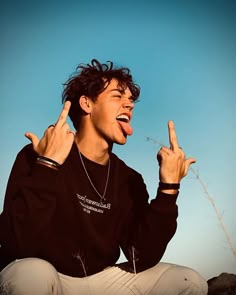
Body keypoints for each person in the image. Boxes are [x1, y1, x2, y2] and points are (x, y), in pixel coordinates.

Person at [0, 59, 208, 294]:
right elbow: (15, 243)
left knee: (189, 282)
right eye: (118, 96)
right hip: (47, 278)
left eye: (130, 100)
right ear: (87, 104)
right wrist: (48, 165)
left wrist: (169, 189)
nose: (129, 105)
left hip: (101, 282)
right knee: (29, 273)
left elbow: (140, 257)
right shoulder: (39, 154)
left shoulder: (129, 179)